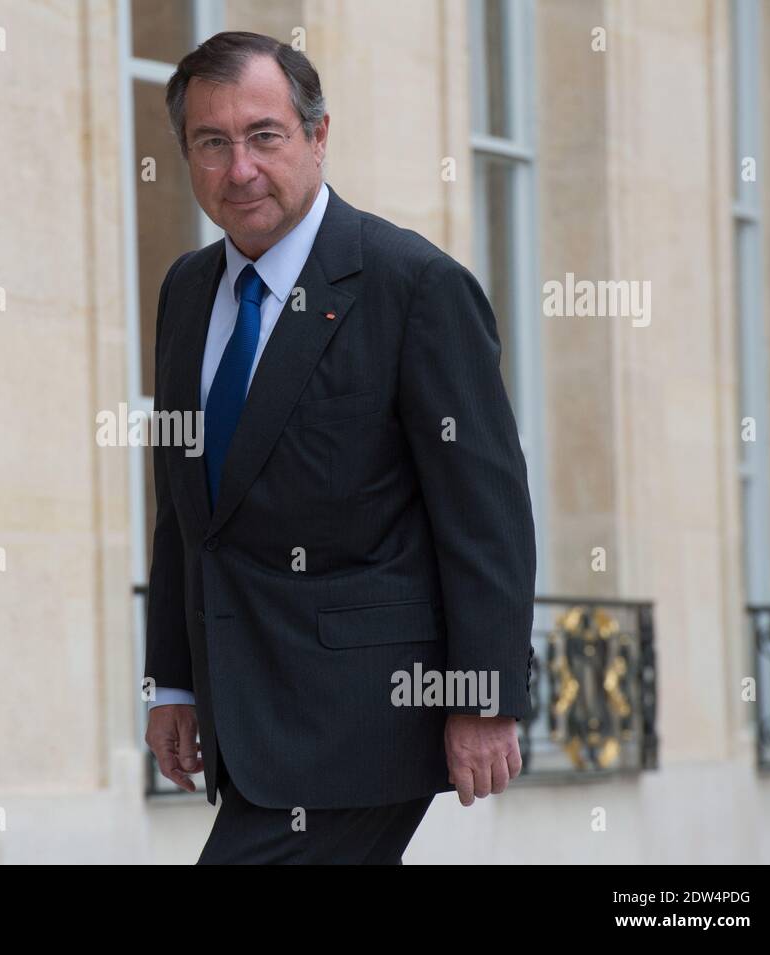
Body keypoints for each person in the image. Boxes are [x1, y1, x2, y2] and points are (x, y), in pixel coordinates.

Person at [142, 31, 536, 864]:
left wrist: (484, 695)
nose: (239, 167)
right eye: (211, 143)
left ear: (318, 138)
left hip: (366, 715)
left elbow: (485, 508)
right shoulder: (185, 291)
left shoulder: (413, 286)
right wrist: (172, 680)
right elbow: (183, 511)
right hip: (244, 712)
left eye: (264, 135)